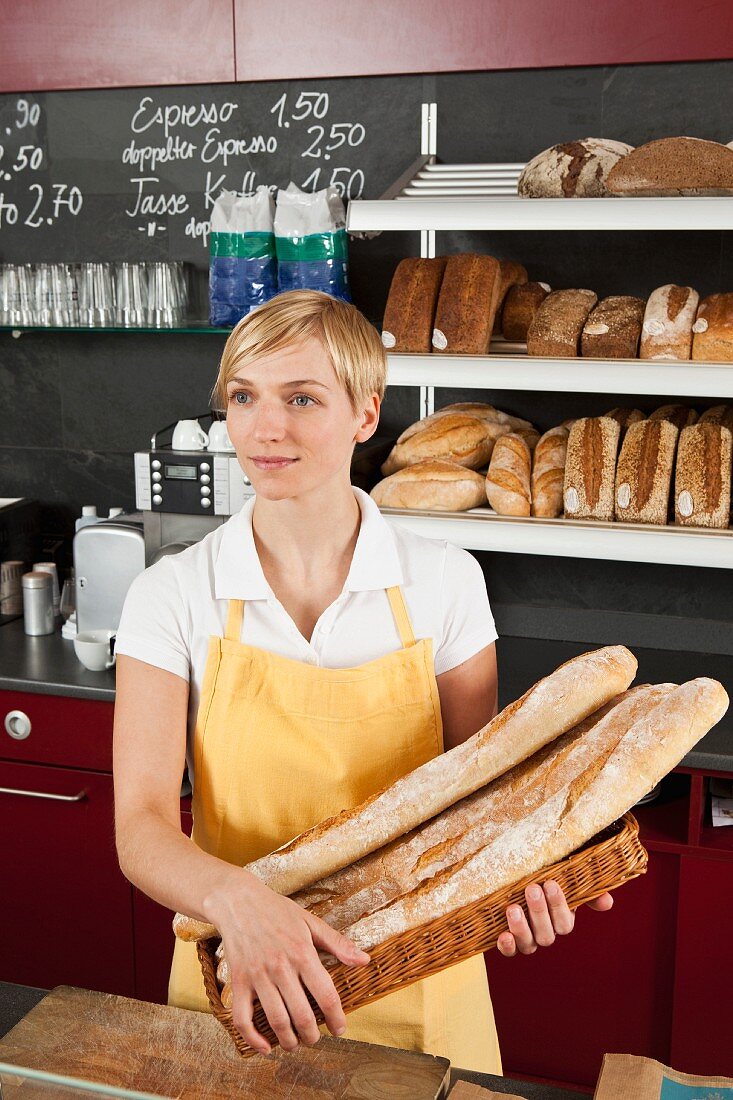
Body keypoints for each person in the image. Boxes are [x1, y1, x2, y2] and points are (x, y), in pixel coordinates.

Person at [113, 288, 612, 1072]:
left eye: (300, 398)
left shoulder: (444, 582)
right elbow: (139, 828)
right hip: (235, 973)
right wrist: (241, 906)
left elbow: (475, 803)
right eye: (242, 397)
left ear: (365, 413)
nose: (263, 428)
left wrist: (516, 892)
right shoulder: (171, 592)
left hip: (417, 985)